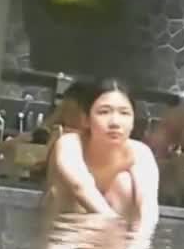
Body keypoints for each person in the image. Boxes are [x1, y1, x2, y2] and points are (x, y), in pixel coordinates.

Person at [40, 78, 160, 228]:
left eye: (124, 113)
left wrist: (141, 238)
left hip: (115, 233)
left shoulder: (140, 153)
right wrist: (115, 224)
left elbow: (149, 207)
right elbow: (80, 188)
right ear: (86, 120)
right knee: (66, 193)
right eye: (104, 112)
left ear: (133, 121)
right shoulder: (69, 144)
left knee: (124, 183)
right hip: (64, 229)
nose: (115, 122)